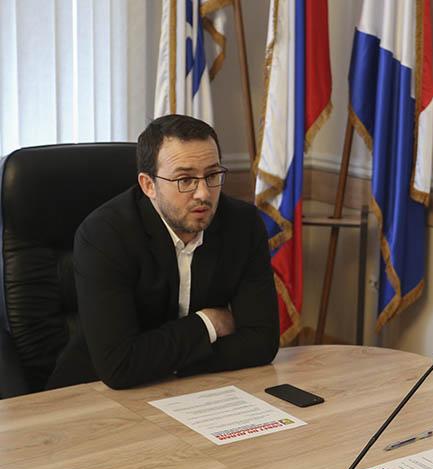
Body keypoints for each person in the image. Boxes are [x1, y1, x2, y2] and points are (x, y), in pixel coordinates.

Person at [65, 114, 279, 389]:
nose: (203, 193)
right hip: (91, 393)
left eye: (212, 175)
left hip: (196, 389)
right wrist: (208, 323)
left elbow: (262, 342)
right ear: (148, 185)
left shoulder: (243, 225)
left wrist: (166, 362)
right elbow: (120, 366)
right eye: (185, 179)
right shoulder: (104, 235)